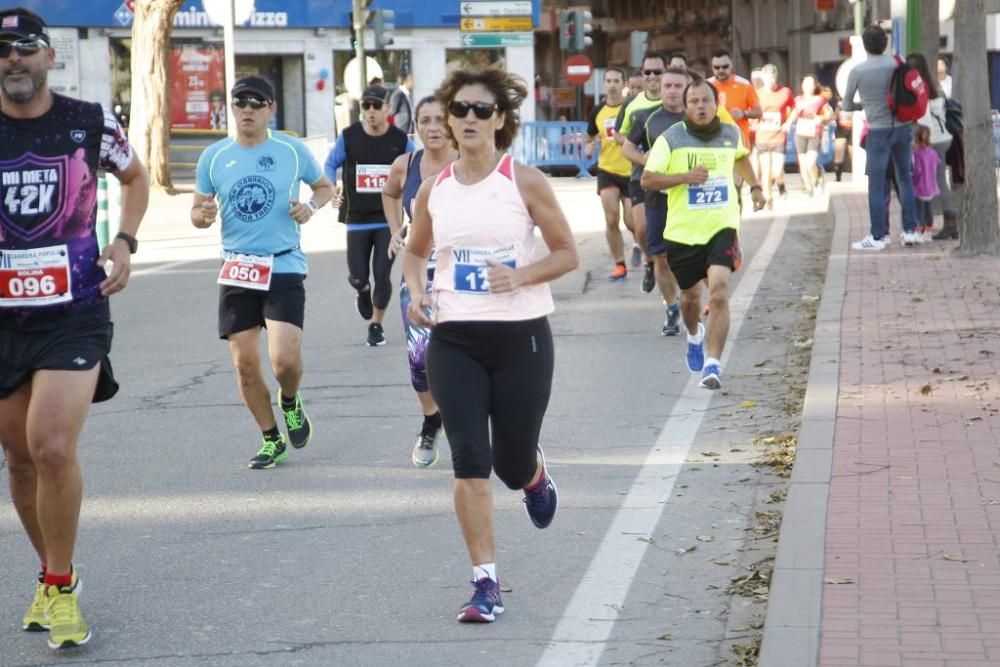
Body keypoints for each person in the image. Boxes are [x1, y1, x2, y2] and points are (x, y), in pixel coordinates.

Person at [402, 65, 579, 623]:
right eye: (461, 110)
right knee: (469, 461)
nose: (470, 118)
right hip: (454, 339)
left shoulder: (523, 181)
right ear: (448, 122)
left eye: (482, 110)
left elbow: (567, 254)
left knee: (508, 461)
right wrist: (415, 293)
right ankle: (486, 584)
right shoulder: (436, 189)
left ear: (501, 119)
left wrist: (521, 276)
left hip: (521, 337)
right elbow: (413, 252)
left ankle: (532, 475)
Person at [0, 7, 149, 650]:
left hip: (74, 311)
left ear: (49, 56)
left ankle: (60, 588)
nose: (14, 60)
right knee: (21, 458)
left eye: (26, 48)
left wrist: (124, 241)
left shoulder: (90, 122)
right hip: (4, 319)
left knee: (52, 445)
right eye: (3, 50)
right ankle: (51, 573)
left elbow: (137, 177)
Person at [192, 76, 333, 469]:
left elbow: (324, 188)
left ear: (271, 109)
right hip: (237, 267)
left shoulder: (291, 150)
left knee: (284, 361)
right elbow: (197, 211)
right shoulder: (214, 157)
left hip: (283, 262)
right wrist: (201, 216)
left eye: (257, 102)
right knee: (244, 364)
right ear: (232, 109)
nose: (248, 109)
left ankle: (290, 400)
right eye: (241, 102)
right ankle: (271, 438)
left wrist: (311, 207)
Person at [641, 78, 766, 390]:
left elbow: (740, 158)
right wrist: (684, 177)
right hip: (683, 232)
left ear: (716, 104)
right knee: (689, 298)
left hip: (721, 225)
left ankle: (713, 364)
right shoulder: (671, 139)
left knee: (720, 292)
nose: (700, 106)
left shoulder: (730, 133)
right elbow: (647, 180)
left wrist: (755, 186)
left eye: (706, 101)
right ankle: (694, 335)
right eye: (694, 101)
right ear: (685, 107)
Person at [381, 95, 457, 467]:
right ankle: (432, 421)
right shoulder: (406, 164)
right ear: (416, 127)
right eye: (425, 120)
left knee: (470, 356)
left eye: (440, 120)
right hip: (419, 272)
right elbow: (391, 193)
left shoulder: (468, 164)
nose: (433, 127)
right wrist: (397, 231)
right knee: (419, 358)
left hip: (464, 274)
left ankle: (470, 424)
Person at [324, 85, 414, 345]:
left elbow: (415, 167)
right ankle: (362, 291)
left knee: (382, 274)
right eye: (366, 106)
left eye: (377, 106)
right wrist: (333, 186)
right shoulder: (349, 136)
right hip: (357, 219)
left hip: (388, 221)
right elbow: (330, 164)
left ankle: (376, 325)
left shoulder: (399, 140)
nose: (371, 111)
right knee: (358, 276)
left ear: (387, 108)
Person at [622, 67, 689, 335]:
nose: (672, 91)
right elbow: (627, 147)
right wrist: (643, 159)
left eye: (677, 86)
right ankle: (672, 308)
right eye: (668, 86)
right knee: (660, 255)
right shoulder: (647, 118)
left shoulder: (696, 116)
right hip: (656, 196)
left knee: (685, 256)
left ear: (686, 88)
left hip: (687, 197)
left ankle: (689, 300)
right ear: (660, 89)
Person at [842, 24, 920, 251]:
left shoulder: (858, 71)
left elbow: (847, 104)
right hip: (903, 127)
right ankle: (910, 230)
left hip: (877, 131)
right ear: (885, 44)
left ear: (865, 45)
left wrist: (864, 103)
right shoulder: (898, 63)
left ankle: (879, 236)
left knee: (877, 184)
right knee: (905, 179)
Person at [616, 51, 667, 293]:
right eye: (648, 72)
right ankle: (649, 261)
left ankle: (667, 268)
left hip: (672, 177)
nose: (653, 76)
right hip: (640, 175)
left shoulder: (675, 101)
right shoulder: (632, 104)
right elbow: (621, 136)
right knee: (642, 228)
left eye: (658, 71)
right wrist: (642, 157)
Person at [585, 66, 638, 280]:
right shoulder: (597, 110)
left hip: (630, 169)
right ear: (604, 84)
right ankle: (620, 264)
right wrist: (589, 146)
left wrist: (623, 139)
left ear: (623, 84)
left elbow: (639, 137)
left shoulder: (631, 109)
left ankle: (640, 244)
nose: (612, 85)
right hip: (606, 169)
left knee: (631, 221)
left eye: (617, 81)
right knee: (611, 217)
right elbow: (589, 136)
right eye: (609, 81)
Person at [907, 52, 956, 239]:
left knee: (936, 181)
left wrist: (919, 144)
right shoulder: (935, 86)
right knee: (938, 180)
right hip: (943, 137)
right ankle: (948, 222)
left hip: (933, 140)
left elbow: (924, 120)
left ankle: (950, 223)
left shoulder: (922, 89)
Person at [708, 49, 761, 168]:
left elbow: (759, 112)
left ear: (731, 65)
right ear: (712, 67)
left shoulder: (744, 85)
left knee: (736, 184)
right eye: (717, 67)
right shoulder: (706, 86)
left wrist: (744, 113)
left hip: (738, 142)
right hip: (713, 142)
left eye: (725, 66)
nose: (721, 70)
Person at [783, 74, 832, 197]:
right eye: (805, 83)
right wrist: (788, 123)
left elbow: (830, 114)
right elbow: (794, 113)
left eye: (810, 84)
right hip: (800, 132)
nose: (807, 86)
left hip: (814, 132)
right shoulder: (798, 100)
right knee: (803, 163)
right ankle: (809, 188)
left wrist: (821, 118)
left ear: (814, 86)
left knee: (810, 162)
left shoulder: (820, 99)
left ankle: (817, 177)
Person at [754, 65, 794, 208]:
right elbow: (751, 110)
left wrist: (789, 122)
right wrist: (753, 121)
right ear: (763, 78)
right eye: (767, 78)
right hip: (762, 137)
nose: (770, 80)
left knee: (776, 171)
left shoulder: (785, 92)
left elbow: (795, 108)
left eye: (772, 77)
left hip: (778, 137)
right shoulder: (756, 93)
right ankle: (768, 199)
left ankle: (781, 184)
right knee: (766, 171)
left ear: (776, 77)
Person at [911, 124, 940, 242]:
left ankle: (921, 232)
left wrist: (912, 179)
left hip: (920, 187)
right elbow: (938, 163)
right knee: (929, 209)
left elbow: (917, 170)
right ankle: (928, 232)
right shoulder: (933, 152)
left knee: (920, 211)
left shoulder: (916, 153)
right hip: (931, 186)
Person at [389, 68, 414, 135]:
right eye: (411, 80)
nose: (413, 82)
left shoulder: (407, 95)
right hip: (401, 130)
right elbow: (391, 112)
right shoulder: (398, 94)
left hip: (408, 131)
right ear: (405, 81)